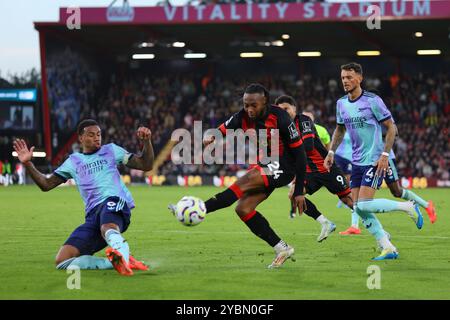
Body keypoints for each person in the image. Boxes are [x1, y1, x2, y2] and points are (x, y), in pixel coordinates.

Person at [170, 83, 308, 269]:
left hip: (286, 164)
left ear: (265, 102)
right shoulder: (241, 117)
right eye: (246, 105)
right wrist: (212, 136)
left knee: (246, 180)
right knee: (243, 208)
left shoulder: (280, 117)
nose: (249, 109)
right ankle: (281, 248)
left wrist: (299, 190)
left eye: (254, 105)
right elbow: (223, 128)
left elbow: (300, 154)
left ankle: (199, 209)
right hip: (269, 161)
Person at [13, 119, 154, 276]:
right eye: (91, 135)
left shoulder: (112, 150)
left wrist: (147, 142)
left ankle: (123, 256)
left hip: (114, 202)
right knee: (63, 260)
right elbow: (46, 185)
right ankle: (116, 262)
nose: (97, 138)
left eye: (99, 134)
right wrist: (27, 164)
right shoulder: (73, 161)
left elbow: (146, 165)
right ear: (80, 138)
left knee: (107, 227)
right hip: (93, 216)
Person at [324, 62, 424, 261]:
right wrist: (331, 152)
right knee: (357, 207)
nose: (345, 81)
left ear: (360, 78)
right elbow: (340, 129)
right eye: (343, 77)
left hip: (374, 159)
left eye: (349, 77)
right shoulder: (341, 103)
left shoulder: (373, 100)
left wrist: (385, 156)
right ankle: (388, 247)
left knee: (365, 204)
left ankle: (408, 207)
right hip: (357, 161)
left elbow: (391, 127)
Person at [275, 95, 353, 242]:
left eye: (286, 109)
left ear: (294, 109)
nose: (284, 112)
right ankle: (325, 223)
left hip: (326, 168)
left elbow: (308, 146)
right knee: (293, 195)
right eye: (280, 110)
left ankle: (378, 231)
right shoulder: (281, 129)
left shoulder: (304, 120)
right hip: (309, 172)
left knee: (348, 201)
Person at [339, 131, 437, 235]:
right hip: (367, 160)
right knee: (358, 199)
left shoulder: (380, 118)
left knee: (396, 192)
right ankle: (355, 226)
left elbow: (393, 131)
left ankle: (426, 206)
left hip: (385, 158)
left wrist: (377, 135)